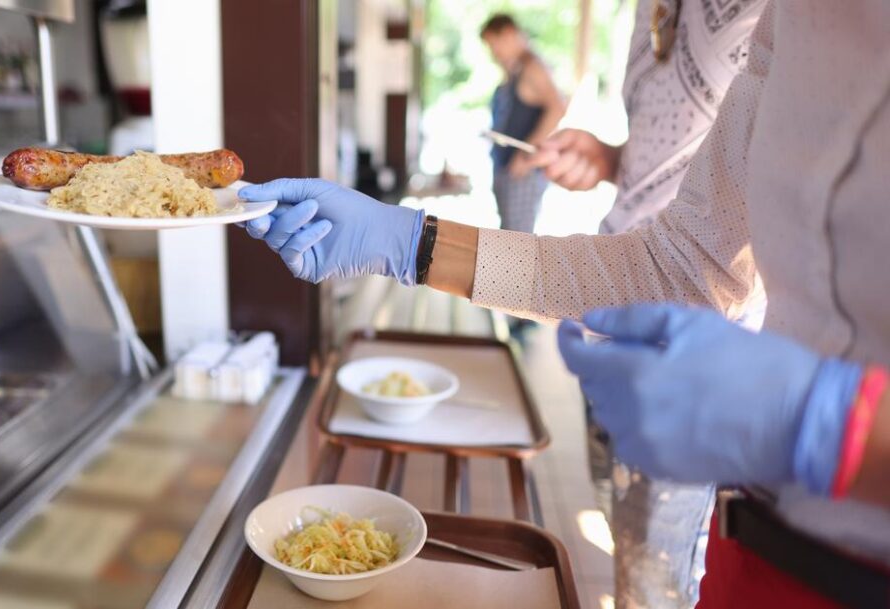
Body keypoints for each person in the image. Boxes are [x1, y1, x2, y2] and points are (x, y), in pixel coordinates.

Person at [237, 2, 890, 606]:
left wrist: (832, 423)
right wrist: (410, 242)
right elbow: (685, 265)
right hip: (755, 555)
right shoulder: (790, 19)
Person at [526, 2, 763, 607]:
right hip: (616, 323)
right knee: (629, 549)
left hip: (701, 343)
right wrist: (611, 158)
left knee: (660, 582)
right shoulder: (650, 9)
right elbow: (679, 148)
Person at [479, 14, 564, 232]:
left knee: (517, 240)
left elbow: (557, 107)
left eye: (493, 45)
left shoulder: (533, 68)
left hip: (522, 172)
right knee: (508, 233)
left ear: (507, 34)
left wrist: (527, 156)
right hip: (506, 168)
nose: (493, 53)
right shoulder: (515, 69)